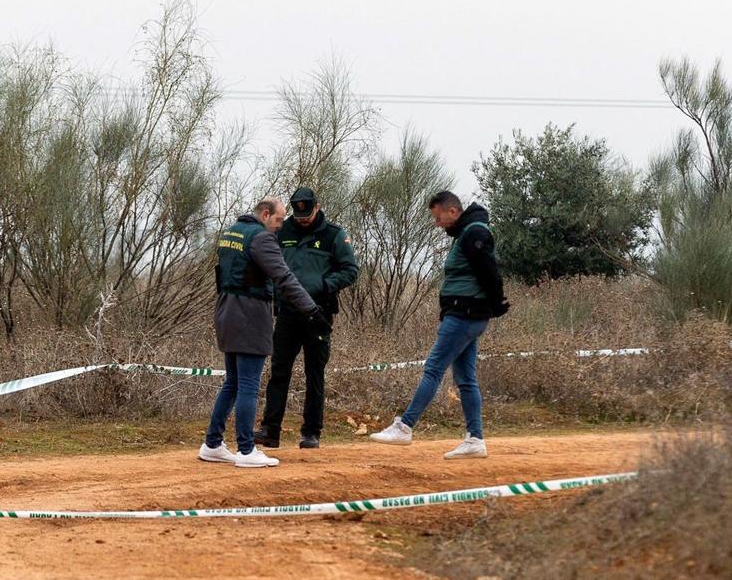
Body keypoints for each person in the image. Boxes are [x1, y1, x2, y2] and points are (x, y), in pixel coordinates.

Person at [369, 191, 509, 459]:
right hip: (467, 314)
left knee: (433, 368)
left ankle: (405, 426)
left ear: (452, 212)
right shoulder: (467, 232)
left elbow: (489, 269)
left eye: (438, 217)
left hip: (465, 314)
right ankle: (475, 439)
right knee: (465, 378)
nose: (437, 223)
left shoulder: (473, 233)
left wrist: (495, 302)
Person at [200, 197, 329, 468]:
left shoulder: (231, 233)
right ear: (266, 214)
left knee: (232, 382)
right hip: (249, 316)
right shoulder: (261, 238)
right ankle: (246, 450)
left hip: (225, 313)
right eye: (280, 219)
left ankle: (212, 443)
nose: (281, 226)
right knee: (247, 384)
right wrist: (311, 310)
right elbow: (284, 277)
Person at [254, 187, 359, 450]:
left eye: (308, 214)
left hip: (319, 314)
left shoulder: (333, 235)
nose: (303, 219)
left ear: (317, 207)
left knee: (315, 373)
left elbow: (351, 270)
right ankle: (270, 430)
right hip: (288, 313)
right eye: (298, 215)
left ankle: (311, 432)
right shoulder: (282, 231)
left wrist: (325, 285)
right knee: (279, 371)